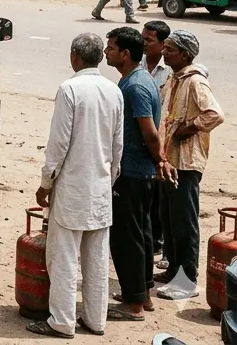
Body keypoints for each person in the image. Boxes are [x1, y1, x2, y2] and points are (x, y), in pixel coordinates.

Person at [29, 33, 124, 338]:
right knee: (96, 260)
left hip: (72, 189)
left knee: (65, 259)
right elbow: (117, 146)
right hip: (99, 188)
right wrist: (108, 180)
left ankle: (62, 321)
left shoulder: (69, 89)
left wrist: (46, 182)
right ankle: (96, 321)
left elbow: (58, 144)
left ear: (74, 56)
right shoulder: (113, 91)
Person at [155, 30, 225, 300]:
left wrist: (191, 127)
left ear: (184, 54)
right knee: (170, 220)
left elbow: (215, 114)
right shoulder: (175, 79)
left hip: (186, 162)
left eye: (170, 49)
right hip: (170, 160)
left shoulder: (195, 81)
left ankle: (187, 281)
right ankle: (173, 271)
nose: (164, 52)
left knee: (184, 223)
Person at [103, 27, 165, 321]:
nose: (106, 52)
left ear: (125, 54)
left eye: (111, 47)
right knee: (142, 233)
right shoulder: (138, 79)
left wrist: (160, 160)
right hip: (141, 172)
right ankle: (142, 294)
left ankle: (134, 305)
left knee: (127, 238)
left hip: (133, 173)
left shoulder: (135, 86)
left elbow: (150, 133)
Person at [141, 19, 174, 270]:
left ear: (163, 44)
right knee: (147, 195)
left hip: (163, 139)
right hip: (143, 137)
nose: (144, 43)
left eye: (149, 40)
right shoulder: (137, 65)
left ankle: (162, 245)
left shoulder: (171, 71)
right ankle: (151, 243)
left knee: (164, 197)